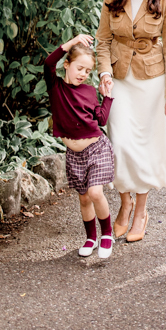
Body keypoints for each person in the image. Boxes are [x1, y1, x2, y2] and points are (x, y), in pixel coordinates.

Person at [96, 0, 166, 243]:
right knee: (119, 144)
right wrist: (104, 71)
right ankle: (125, 201)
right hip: (118, 79)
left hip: (152, 82)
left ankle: (141, 211)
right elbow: (103, 40)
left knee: (145, 145)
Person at [43, 33, 115, 258]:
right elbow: (47, 63)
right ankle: (91, 237)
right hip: (75, 155)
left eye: (87, 71)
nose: (83, 74)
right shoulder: (56, 87)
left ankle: (106, 234)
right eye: (79, 68)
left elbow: (101, 120)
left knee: (95, 192)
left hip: (97, 149)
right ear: (66, 65)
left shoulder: (89, 91)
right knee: (84, 198)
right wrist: (71, 43)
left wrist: (107, 98)